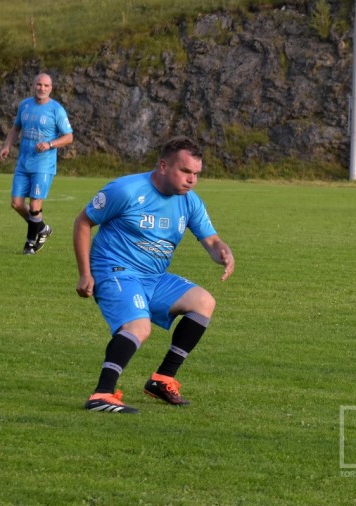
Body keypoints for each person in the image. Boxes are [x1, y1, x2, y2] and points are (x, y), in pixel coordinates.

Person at [74, 136, 235, 414]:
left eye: (196, 174)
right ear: (163, 166)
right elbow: (83, 222)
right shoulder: (126, 190)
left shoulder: (189, 202)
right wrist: (85, 273)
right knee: (139, 327)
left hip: (153, 276)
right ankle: (102, 394)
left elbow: (211, 241)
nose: (192, 180)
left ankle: (162, 379)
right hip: (115, 271)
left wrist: (222, 251)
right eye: (185, 171)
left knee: (203, 302)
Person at [0, 73, 74, 255]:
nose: (42, 88)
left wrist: (50, 144)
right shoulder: (25, 105)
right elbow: (16, 128)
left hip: (43, 165)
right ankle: (41, 228)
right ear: (33, 86)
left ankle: (30, 245)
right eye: (39, 85)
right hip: (23, 163)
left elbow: (68, 137)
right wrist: (7, 145)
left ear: (51, 88)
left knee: (35, 206)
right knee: (16, 203)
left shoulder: (56, 110)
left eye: (46, 85)